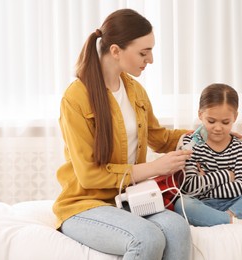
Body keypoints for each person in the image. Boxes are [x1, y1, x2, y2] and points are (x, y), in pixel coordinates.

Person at [52, 9, 193, 260]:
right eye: (143, 52)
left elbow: (159, 138)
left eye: (150, 51)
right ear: (115, 50)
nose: (150, 59)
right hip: (84, 205)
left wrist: (205, 133)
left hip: (128, 199)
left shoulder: (135, 91)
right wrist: (153, 168)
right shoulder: (75, 98)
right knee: (146, 238)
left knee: (177, 228)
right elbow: (88, 175)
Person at [174, 83, 242, 227]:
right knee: (182, 203)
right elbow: (190, 188)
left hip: (237, 203)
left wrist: (206, 182)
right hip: (203, 206)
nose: (218, 128)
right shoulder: (190, 143)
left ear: (235, 117)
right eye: (211, 121)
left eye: (225, 122)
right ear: (200, 115)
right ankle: (234, 221)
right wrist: (227, 175)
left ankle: (228, 217)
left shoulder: (238, 146)